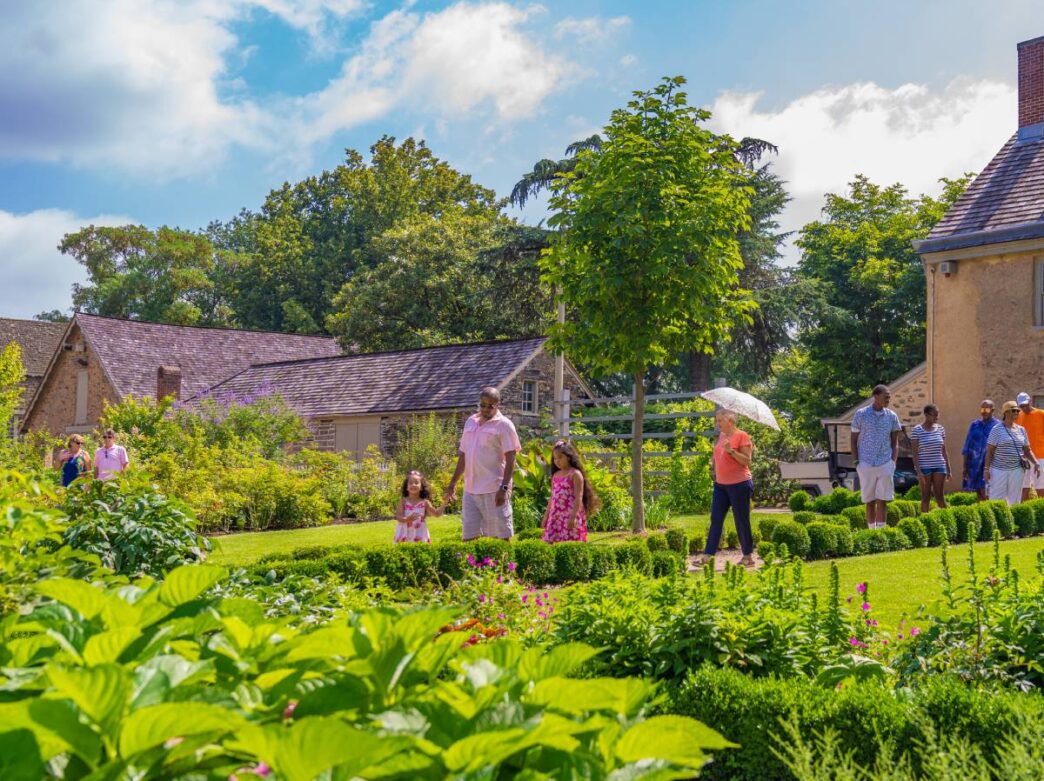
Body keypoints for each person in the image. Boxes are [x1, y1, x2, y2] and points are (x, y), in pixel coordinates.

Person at [445, 387, 522, 541]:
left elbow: (511, 458)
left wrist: (504, 488)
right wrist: (453, 483)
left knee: (500, 538)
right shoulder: (470, 422)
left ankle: (503, 559)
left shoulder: (504, 425)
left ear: (498, 404)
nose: (486, 409)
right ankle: (472, 559)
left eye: (490, 406)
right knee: (469, 538)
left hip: (494, 489)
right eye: (483, 405)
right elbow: (464, 454)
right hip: (470, 490)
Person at [694, 408, 756, 568]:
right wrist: (714, 469)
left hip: (740, 485)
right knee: (716, 519)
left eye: (720, 420)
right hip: (721, 485)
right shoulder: (722, 436)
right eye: (716, 420)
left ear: (730, 421)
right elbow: (717, 455)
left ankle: (748, 556)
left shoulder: (742, 436)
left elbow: (747, 461)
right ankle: (708, 556)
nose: (717, 423)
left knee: (741, 520)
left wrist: (731, 451)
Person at [850, 385, 902, 529]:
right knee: (870, 500)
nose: (888, 399)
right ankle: (871, 531)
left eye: (889, 397)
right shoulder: (861, 414)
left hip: (885, 463)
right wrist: (857, 462)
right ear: (876, 396)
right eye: (886, 396)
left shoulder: (892, 416)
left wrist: (893, 462)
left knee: (883, 499)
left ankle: (880, 531)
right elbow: (853, 440)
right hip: (865, 462)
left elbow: (895, 442)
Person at [541, 439, 599, 543]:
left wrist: (573, 516)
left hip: (570, 514)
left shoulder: (575, 474)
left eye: (560, 457)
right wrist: (546, 516)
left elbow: (578, 497)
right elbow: (552, 497)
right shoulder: (555, 475)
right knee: (550, 541)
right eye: (555, 458)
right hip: (556, 515)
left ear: (568, 456)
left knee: (571, 540)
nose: (557, 461)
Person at [984, 401, 1041, 506]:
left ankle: (1012, 517)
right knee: (996, 500)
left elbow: (1027, 450)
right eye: (1013, 410)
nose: (1016, 413)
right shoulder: (996, 429)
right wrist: (986, 469)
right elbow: (989, 451)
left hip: (1017, 470)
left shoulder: (1021, 430)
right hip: (999, 470)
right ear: (1006, 412)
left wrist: (1036, 463)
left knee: (1015, 501)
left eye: (1017, 411)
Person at [909, 404, 950, 513]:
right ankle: (925, 520)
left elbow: (944, 450)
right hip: (924, 467)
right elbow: (914, 453)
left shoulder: (940, 429)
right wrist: (919, 472)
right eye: (934, 415)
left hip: (939, 466)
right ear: (926, 415)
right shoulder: (917, 430)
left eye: (937, 414)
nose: (936, 417)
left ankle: (947, 518)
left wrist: (948, 468)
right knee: (925, 497)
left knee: (940, 497)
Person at [961, 399, 999, 501]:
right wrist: (965, 467)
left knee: (987, 492)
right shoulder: (974, 425)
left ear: (992, 410)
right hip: (974, 465)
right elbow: (967, 446)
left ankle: (989, 509)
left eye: (987, 409)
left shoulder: (997, 426)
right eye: (982, 409)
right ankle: (981, 509)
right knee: (978, 493)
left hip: (990, 465)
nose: (984, 412)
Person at [393, 470, 444, 543]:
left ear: (421, 487)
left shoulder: (425, 502)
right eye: (410, 483)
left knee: (420, 549)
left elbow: (436, 514)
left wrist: (445, 502)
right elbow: (398, 517)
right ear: (407, 487)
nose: (413, 484)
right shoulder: (403, 501)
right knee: (404, 550)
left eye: (416, 482)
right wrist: (407, 519)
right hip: (405, 533)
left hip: (420, 533)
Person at [1015, 392, 1044, 501]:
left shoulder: (1041, 414)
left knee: (1040, 486)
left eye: (1026, 405)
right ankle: (1024, 509)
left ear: (1030, 402)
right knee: (1023, 486)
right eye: (1021, 406)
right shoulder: (1018, 416)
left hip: (1040, 456)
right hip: (1023, 457)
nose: (1024, 408)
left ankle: (1041, 508)